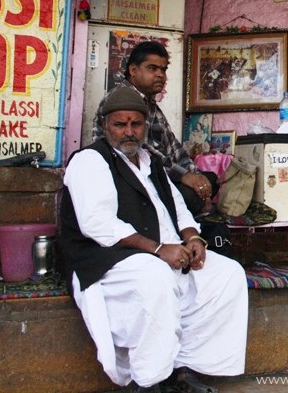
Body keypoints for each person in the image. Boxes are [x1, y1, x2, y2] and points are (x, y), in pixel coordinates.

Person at [60, 86, 247, 392]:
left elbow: (178, 208)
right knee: (155, 276)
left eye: (136, 124)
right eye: (120, 125)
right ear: (106, 126)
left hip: (164, 254)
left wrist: (193, 239)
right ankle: (149, 381)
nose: (129, 132)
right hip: (108, 261)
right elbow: (99, 225)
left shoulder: (151, 162)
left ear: (146, 126)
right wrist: (159, 249)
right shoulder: (90, 160)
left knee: (227, 275)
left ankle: (183, 369)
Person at [93, 40, 215, 217]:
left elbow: (173, 147)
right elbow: (144, 156)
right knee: (189, 195)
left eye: (163, 70)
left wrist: (198, 179)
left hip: (161, 177)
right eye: (152, 68)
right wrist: (184, 177)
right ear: (133, 70)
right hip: (135, 184)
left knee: (210, 179)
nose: (160, 75)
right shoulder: (120, 101)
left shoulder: (150, 104)